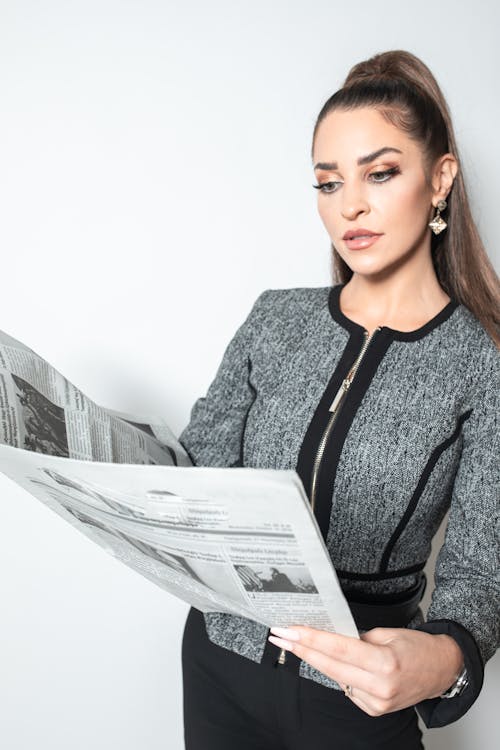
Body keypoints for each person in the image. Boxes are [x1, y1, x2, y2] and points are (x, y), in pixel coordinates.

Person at [178, 49, 499, 750]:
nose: (349, 204)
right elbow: (194, 470)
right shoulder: (274, 319)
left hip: (356, 696)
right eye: (328, 183)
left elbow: (481, 571)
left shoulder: (482, 363)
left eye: (380, 173)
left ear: (440, 179)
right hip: (218, 661)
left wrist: (442, 660)